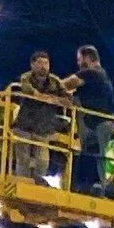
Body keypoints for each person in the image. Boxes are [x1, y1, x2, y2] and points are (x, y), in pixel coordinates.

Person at [10, 51, 72, 184]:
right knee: (23, 159)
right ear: (32, 65)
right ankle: (23, 183)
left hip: (43, 128)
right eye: (39, 63)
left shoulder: (55, 81)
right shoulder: (26, 78)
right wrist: (50, 99)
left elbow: (67, 99)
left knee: (43, 161)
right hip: (24, 126)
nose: (43, 66)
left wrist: (55, 99)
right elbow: (30, 92)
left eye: (46, 63)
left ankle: (37, 184)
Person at [73, 45, 114, 186]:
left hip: (97, 125)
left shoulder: (91, 73)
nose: (78, 63)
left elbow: (65, 85)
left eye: (79, 59)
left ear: (87, 58)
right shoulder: (103, 76)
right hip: (100, 123)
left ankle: (100, 187)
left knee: (99, 158)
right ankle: (98, 186)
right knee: (98, 157)